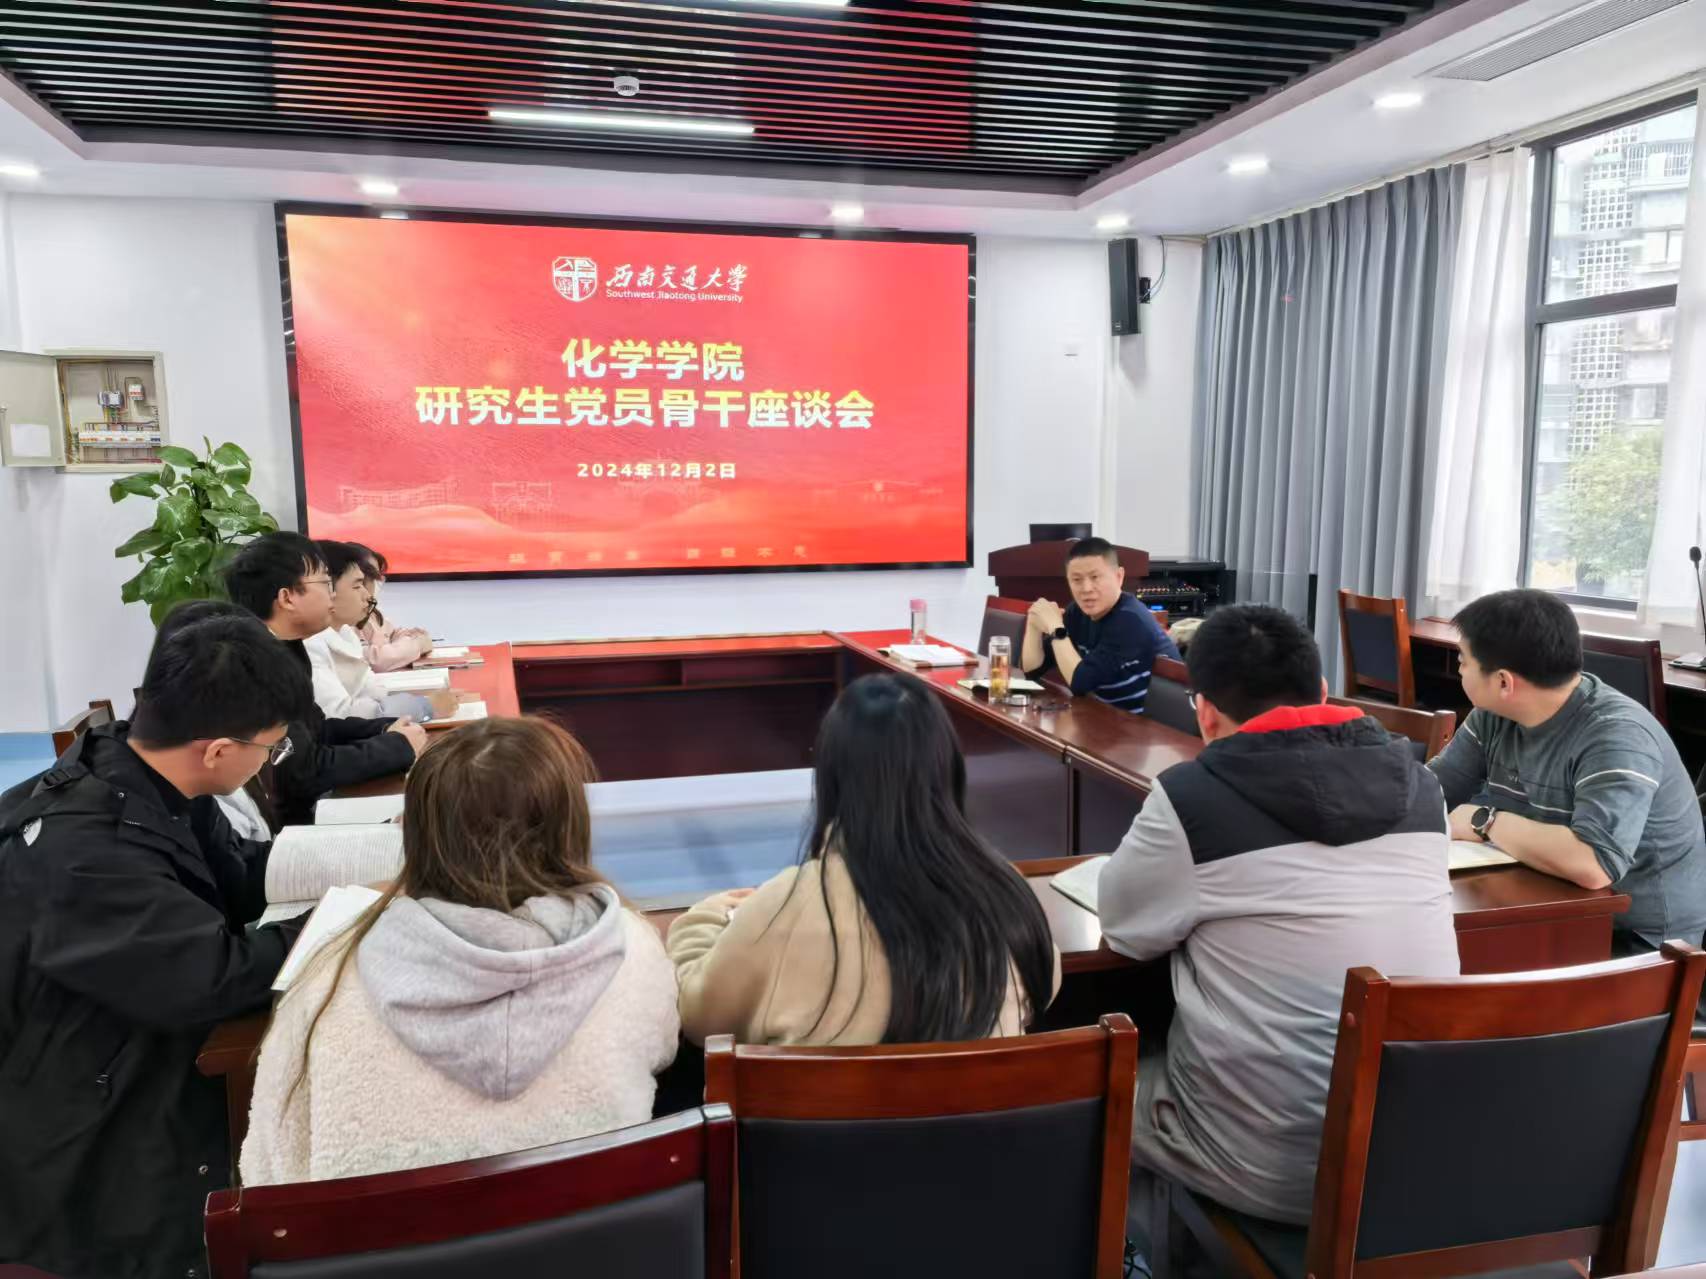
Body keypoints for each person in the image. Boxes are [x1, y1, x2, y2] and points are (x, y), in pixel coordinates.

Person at [1097, 604, 1459, 1224]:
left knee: (1091, 1082)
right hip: (1411, 1159)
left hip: (1270, 1168)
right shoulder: (1423, 786)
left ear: (1205, 711)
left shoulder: (1191, 799)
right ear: (1323, 690)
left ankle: (1151, 1252)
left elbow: (1124, 929)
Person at [0, 611, 309, 1279]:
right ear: (218, 750)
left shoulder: (147, 772)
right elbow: (212, 978)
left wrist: (337, 876)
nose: (270, 761)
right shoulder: (90, 852)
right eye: (271, 748)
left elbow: (236, 876)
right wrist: (333, 925)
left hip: (114, 1029)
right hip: (80, 1124)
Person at [240, 717, 679, 1185]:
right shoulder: (632, 948)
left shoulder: (325, 978)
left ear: (415, 834)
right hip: (595, 1223)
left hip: (389, 1232)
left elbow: (268, 1173)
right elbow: (659, 1052)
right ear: (570, 829)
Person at [669, 673, 1060, 1046]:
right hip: (988, 1098)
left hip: (824, 1098)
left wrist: (705, 917)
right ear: (949, 769)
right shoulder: (1005, 894)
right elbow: (1047, 982)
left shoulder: (784, 909)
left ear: (832, 778)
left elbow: (700, 1018)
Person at [1428, 589, 1706, 962]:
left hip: (1640, 944)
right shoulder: (1494, 715)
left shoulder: (1616, 735)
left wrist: (1485, 821)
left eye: (1463, 661)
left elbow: (1594, 864)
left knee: (1450, 977)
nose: (1460, 669)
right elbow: (1432, 791)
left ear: (1504, 682)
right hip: (1550, 904)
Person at [225, 532, 425, 826]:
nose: (332, 594)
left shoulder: (286, 648)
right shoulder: (257, 665)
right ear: (287, 597)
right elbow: (303, 771)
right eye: (324, 583)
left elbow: (318, 729)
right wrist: (397, 746)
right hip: (288, 827)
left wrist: (385, 729)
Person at [1021, 536, 1180, 714]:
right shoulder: (1077, 612)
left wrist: (1057, 628)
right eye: (1077, 580)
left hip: (1145, 726)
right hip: (1104, 717)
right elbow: (1032, 671)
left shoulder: (1130, 621)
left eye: (1095, 577)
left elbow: (1080, 683)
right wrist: (1033, 624)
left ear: (1119, 577)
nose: (1086, 588)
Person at [304, 540, 451, 722]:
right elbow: (341, 716)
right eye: (357, 585)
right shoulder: (309, 645)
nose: (367, 595)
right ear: (327, 590)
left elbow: (374, 691)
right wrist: (424, 706)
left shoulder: (345, 633)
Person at [353, 544, 434, 672]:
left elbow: (392, 635)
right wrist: (417, 645)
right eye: (374, 577)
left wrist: (410, 637)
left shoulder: (373, 613)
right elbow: (375, 661)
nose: (379, 581)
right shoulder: (346, 619)